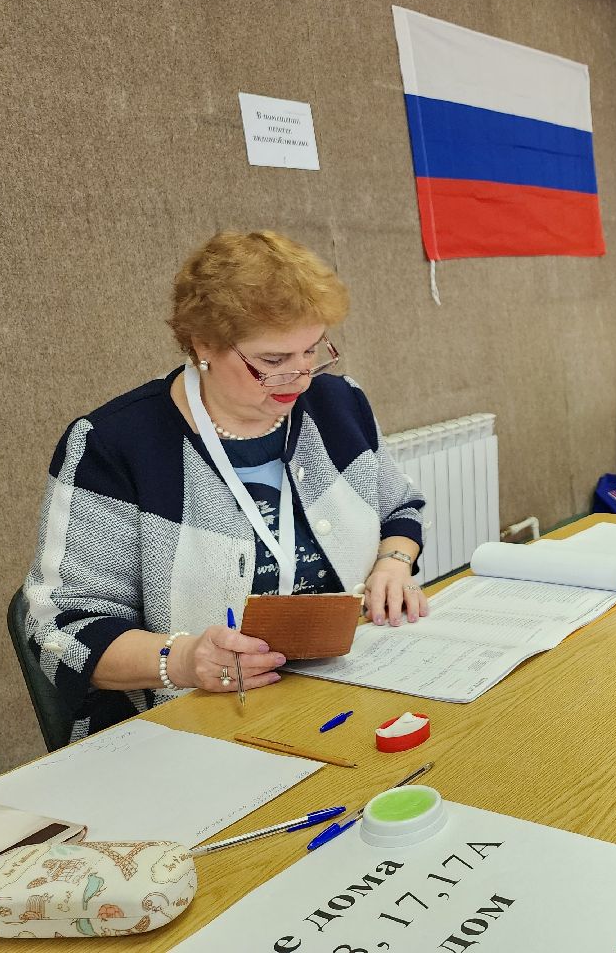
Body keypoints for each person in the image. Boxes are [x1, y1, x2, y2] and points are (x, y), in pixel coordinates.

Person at [24, 231, 428, 742]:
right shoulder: (117, 446)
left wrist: (393, 562)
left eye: (312, 351)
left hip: (343, 693)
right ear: (203, 346)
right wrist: (185, 660)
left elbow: (400, 506)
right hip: (193, 725)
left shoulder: (336, 406)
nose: (299, 379)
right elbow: (60, 629)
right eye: (273, 362)